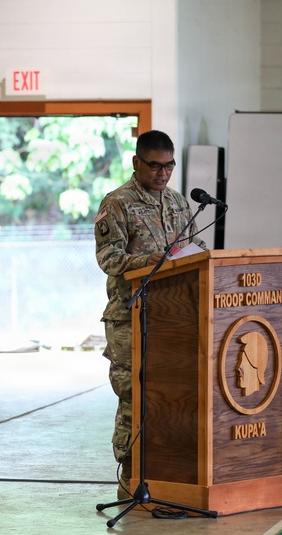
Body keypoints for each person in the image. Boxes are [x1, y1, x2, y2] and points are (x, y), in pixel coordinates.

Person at [93, 130, 207, 497]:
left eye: (169, 165)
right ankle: (131, 474)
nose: (163, 173)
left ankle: (167, 471)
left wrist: (197, 258)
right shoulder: (118, 204)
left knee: (171, 394)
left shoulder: (177, 203)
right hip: (130, 316)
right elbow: (109, 258)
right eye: (155, 165)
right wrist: (155, 261)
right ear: (136, 163)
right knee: (134, 394)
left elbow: (196, 246)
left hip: (175, 318)